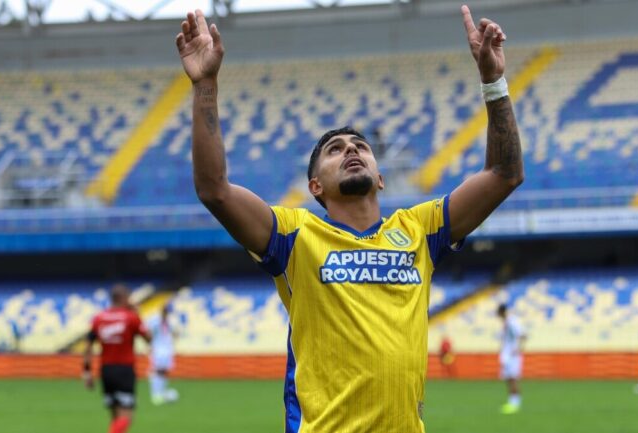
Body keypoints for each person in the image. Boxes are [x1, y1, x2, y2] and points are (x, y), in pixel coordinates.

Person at [175, 4, 522, 431]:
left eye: (359, 145)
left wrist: (493, 82)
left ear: (380, 177)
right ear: (315, 186)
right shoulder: (293, 236)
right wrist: (205, 84)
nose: (351, 149)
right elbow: (215, 190)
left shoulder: (420, 230)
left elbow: (504, 174)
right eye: (334, 150)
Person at [83, 285, 152, 433]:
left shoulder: (99, 318)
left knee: (115, 416)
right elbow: (149, 339)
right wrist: (137, 313)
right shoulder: (131, 318)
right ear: (124, 298)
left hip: (106, 371)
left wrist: (87, 372)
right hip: (124, 370)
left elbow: (88, 346)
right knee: (126, 416)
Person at [148, 304, 179, 405]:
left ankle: (161, 392)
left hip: (167, 349)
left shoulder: (169, 322)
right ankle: (155, 395)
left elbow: (174, 333)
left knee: (164, 371)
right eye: (166, 311)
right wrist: (150, 345)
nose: (167, 314)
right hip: (158, 349)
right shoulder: (154, 320)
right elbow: (148, 332)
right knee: (158, 371)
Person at [497, 304, 526, 414]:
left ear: (502, 312)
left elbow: (523, 335)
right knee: (508, 378)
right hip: (506, 355)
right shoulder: (506, 323)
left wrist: (519, 349)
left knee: (513, 378)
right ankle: (511, 401)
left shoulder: (512, 322)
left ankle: (516, 403)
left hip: (513, 355)